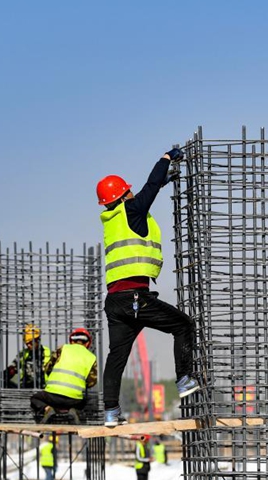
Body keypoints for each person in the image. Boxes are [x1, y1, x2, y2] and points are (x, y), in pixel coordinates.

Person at [96, 148, 199, 426]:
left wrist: (165, 180)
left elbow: (152, 188)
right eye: (127, 191)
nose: (132, 194)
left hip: (115, 301)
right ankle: (184, 379)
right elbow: (150, 186)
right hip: (135, 298)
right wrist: (166, 158)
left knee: (117, 356)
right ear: (122, 196)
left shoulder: (113, 220)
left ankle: (110, 413)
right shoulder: (132, 210)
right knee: (183, 325)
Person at [31, 328, 98, 424]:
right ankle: (75, 410)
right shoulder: (91, 357)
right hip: (74, 400)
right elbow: (91, 382)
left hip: (52, 397)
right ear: (88, 343)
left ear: (71, 341)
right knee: (87, 401)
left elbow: (48, 368)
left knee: (35, 398)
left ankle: (47, 409)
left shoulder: (63, 349)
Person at [4, 324, 51, 389]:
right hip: (25, 388)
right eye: (26, 343)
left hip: (43, 388)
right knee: (3, 383)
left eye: (31, 342)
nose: (28, 345)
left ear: (37, 340)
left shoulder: (47, 353)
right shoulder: (23, 354)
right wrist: (4, 375)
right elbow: (12, 368)